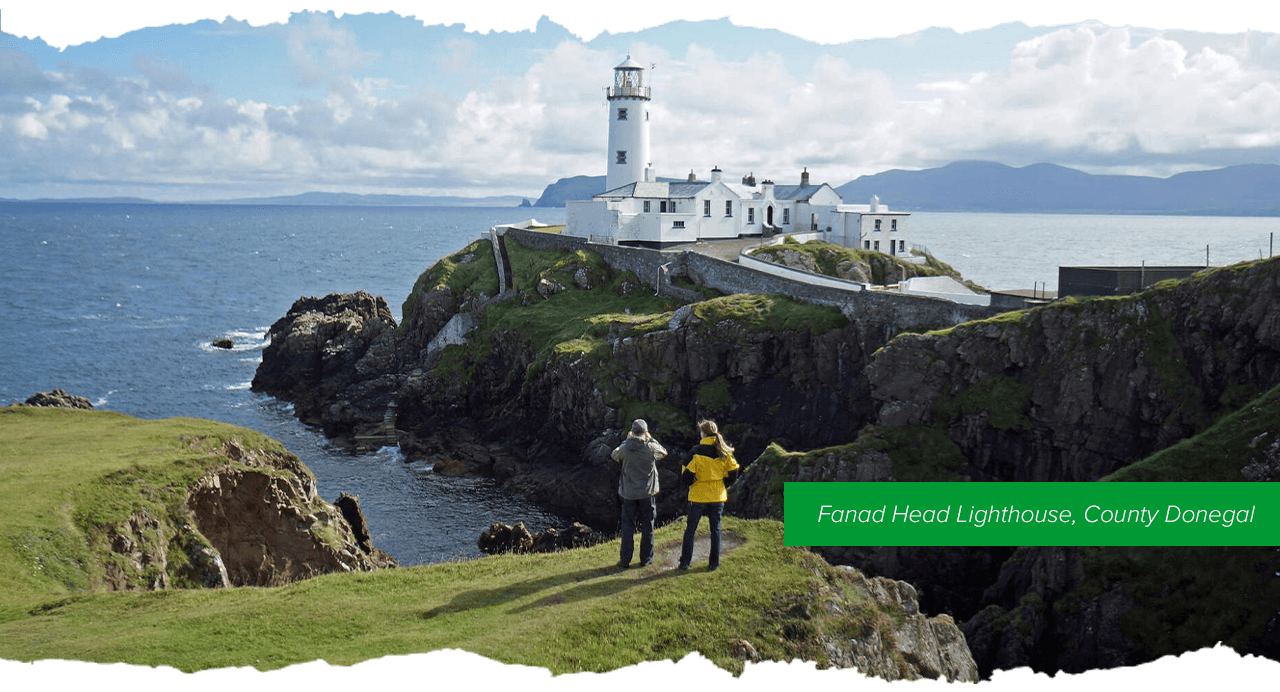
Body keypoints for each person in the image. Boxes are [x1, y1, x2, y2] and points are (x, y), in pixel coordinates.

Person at [678, 420, 740, 571]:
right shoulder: (724, 451)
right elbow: (734, 472)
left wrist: (694, 482)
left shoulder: (696, 451)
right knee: (716, 529)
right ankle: (714, 563)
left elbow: (685, 476)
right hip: (717, 494)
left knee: (691, 529)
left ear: (703, 433)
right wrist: (722, 483)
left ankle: (685, 562)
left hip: (698, 495)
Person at [611, 418, 667, 568]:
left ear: (632, 431)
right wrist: (651, 438)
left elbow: (614, 455)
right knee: (648, 525)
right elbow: (664, 453)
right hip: (647, 493)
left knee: (628, 526)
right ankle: (646, 559)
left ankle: (625, 560)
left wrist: (626, 442)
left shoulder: (625, 447)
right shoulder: (651, 447)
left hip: (628, 494)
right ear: (646, 432)